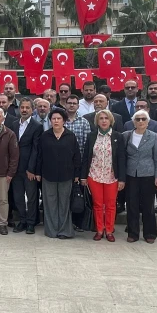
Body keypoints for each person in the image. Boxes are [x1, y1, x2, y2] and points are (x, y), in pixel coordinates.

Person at [30, 107, 80, 239]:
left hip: (66, 175)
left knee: (64, 204)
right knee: (50, 203)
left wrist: (76, 175)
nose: (56, 121)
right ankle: (51, 230)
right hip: (48, 175)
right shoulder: (45, 136)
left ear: (64, 121)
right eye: (53, 119)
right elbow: (39, 155)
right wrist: (38, 172)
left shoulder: (71, 136)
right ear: (50, 121)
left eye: (59, 119)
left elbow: (76, 156)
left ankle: (64, 230)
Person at [81, 110, 126, 241]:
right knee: (97, 204)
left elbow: (122, 159)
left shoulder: (118, 136)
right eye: (101, 118)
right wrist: (83, 176)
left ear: (111, 120)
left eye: (106, 118)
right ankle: (99, 230)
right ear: (97, 121)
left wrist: (122, 179)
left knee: (111, 204)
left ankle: (109, 230)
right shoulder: (91, 136)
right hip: (94, 175)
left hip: (112, 176)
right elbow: (86, 157)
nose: (104, 120)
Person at [122, 110, 157, 243]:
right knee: (132, 204)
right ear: (133, 121)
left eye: (143, 119)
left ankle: (150, 233)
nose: (140, 121)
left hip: (148, 174)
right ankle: (133, 233)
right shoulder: (126, 135)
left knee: (148, 205)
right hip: (131, 174)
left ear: (148, 122)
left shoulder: (153, 136)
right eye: (138, 119)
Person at [7, 98, 42, 234]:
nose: (24, 110)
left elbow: (36, 149)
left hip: (29, 169)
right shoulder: (14, 124)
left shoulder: (37, 126)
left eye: (27, 107)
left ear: (32, 110)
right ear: (19, 108)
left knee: (32, 197)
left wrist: (31, 169)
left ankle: (31, 223)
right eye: (22, 107)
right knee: (18, 196)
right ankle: (22, 220)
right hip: (15, 168)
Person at [63, 95, 91, 230]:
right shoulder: (61, 121)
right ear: (65, 105)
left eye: (74, 103)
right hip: (63, 164)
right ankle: (66, 222)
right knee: (65, 194)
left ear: (78, 106)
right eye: (69, 103)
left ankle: (78, 222)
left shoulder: (84, 122)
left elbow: (87, 146)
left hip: (78, 165)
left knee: (77, 194)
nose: (72, 105)